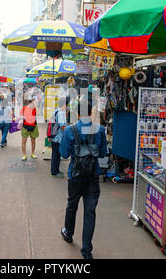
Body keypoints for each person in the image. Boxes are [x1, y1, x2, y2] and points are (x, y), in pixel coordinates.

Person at [59, 97, 107, 259]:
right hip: (93, 176)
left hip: (75, 175)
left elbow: (64, 153)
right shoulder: (99, 130)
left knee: (72, 205)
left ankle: (68, 232)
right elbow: (102, 153)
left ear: (77, 113)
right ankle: (86, 250)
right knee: (90, 212)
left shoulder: (69, 130)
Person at [50, 98, 67, 178]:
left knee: (55, 154)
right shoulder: (60, 113)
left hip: (54, 135)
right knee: (56, 154)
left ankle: (55, 170)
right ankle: (55, 171)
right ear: (64, 105)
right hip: (58, 137)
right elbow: (62, 126)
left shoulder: (55, 111)